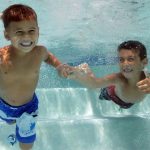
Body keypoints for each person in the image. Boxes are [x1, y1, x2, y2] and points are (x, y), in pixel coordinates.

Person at [0, 4, 71, 150]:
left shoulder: (40, 52)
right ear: (7, 35)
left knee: (27, 143)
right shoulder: (1, 56)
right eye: (19, 32)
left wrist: (59, 66)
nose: (26, 36)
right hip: (2, 105)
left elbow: (49, 57)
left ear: (38, 31)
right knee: (9, 121)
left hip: (28, 109)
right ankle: (12, 122)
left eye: (31, 30)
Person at [69, 40, 150, 109]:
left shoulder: (148, 78)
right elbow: (95, 83)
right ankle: (87, 71)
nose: (125, 64)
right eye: (121, 60)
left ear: (144, 62)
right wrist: (76, 75)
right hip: (114, 95)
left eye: (130, 59)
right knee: (99, 91)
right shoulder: (118, 78)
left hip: (128, 102)